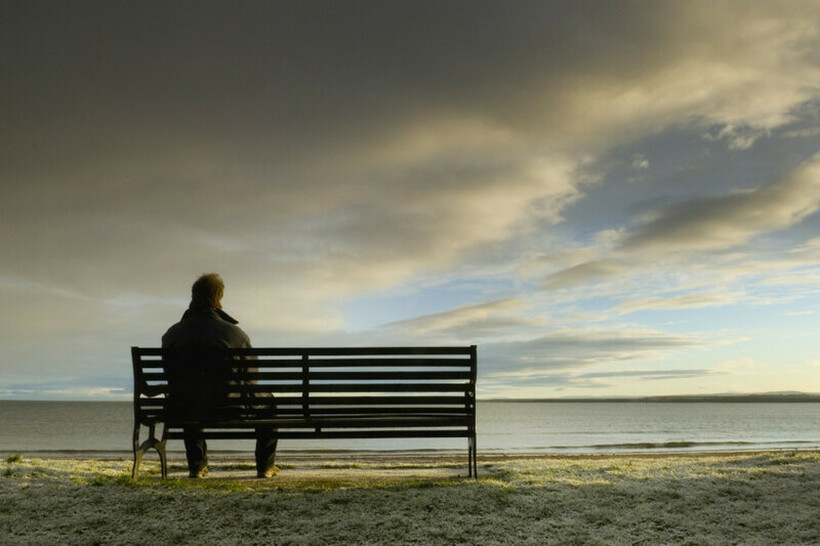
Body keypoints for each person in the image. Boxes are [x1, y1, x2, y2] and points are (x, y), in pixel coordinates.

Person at [161, 273, 278, 478]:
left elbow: (171, 376)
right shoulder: (235, 334)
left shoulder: (172, 334)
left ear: (193, 296)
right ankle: (265, 466)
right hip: (230, 406)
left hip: (185, 407)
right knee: (269, 402)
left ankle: (197, 467)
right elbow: (251, 379)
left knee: (189, 397)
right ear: (219, 297)